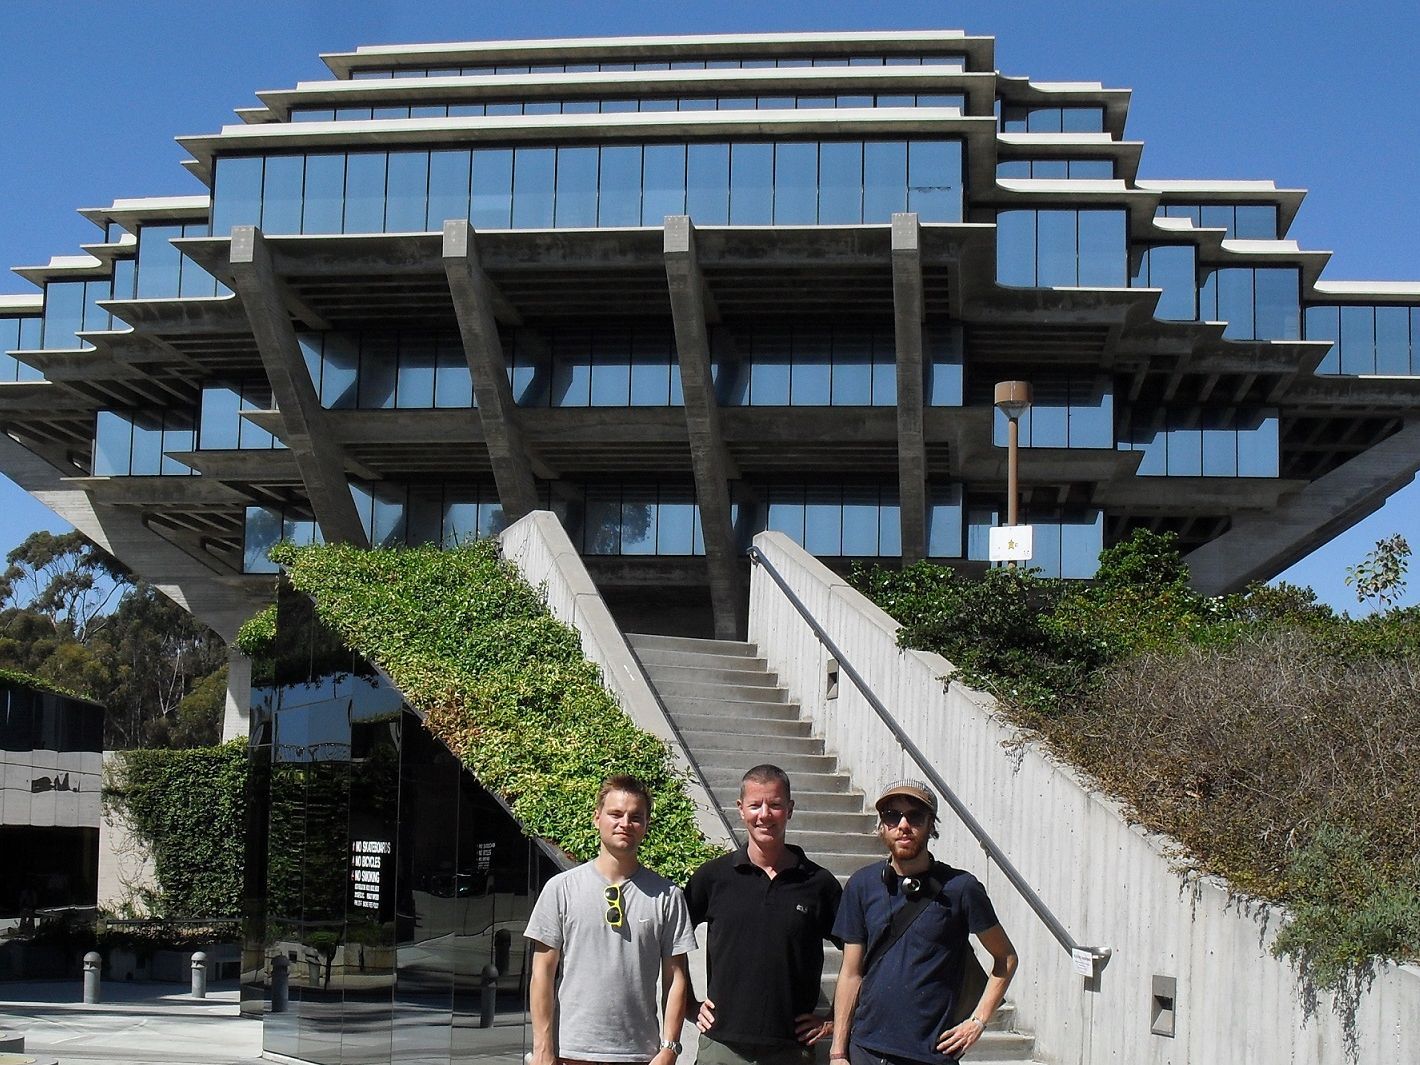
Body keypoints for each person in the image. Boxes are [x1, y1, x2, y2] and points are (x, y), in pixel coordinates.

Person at [829, 780, 1018, 1065]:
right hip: (865, 1051)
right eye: (892, 816)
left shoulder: (961, 888)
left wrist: (978, 1022)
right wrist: (838, 1052)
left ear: (931, 825)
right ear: (882, 826)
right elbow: (851, 972)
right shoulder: (861, 885)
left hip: (930, 1055)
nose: (903, 824)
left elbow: (1006, 958)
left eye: (915, 816)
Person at [526, 774, 697, 1065]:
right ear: (597, 818)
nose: (625, 824)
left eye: (635, 817)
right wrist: (543, 1049)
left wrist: (670, 1047)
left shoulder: (667, 895)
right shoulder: (561, 889)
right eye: (615, 814)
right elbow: (542, 972)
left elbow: (675, 977)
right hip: (571, 1053)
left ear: (646, 825)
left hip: (640, 1054)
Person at [686, 763, 843, 1065]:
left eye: (775, 805)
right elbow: (671, 943)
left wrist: (834, 1017)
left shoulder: (819, 884)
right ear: (740, 809)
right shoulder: (712, 878)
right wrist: (689, 1006)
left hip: (790, 1050)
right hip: (721, 1046)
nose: (764, 815)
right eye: (755, 805)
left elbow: (857, 954)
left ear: (790, 809)